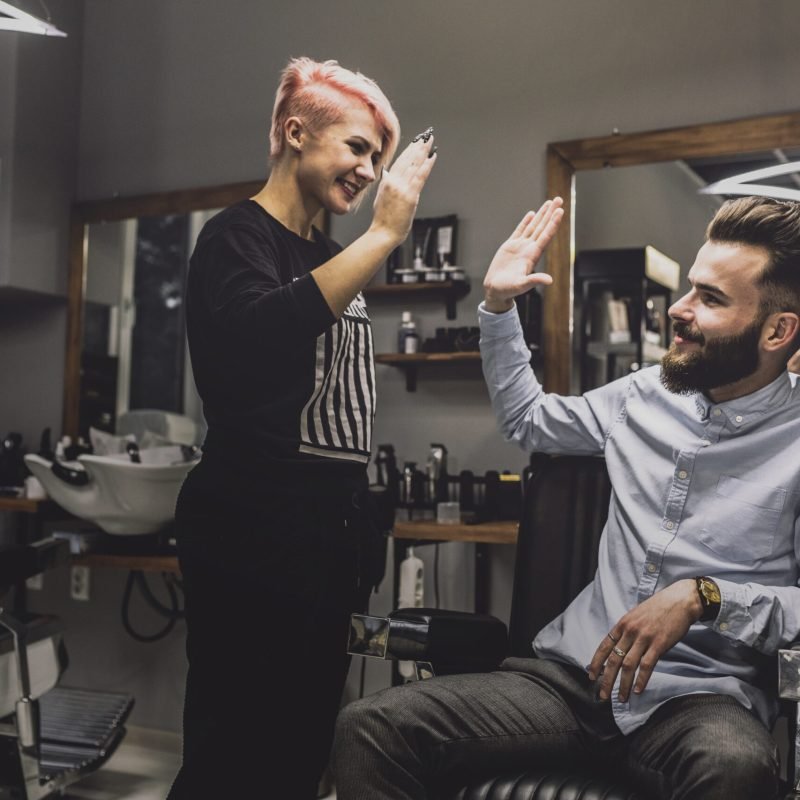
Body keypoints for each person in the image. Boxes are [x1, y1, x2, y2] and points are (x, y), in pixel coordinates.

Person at [332, 195, 800, 800]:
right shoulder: (643, 394)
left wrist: (707, 598)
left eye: (710, 299)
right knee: (371, 726)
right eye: (689, 288)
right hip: (570, 683)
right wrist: (499, 306)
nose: (678, 311)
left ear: (778, 330)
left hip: (698, 700)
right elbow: (528, 419)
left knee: (735, 766)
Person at [167, 58, 436, 800]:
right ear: (295, 132)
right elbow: (262, 330)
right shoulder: (234, 237)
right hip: (252, 527)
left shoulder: (324, 253)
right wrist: (385, 235)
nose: (369, 169)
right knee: (234, 756)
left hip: (323, 536)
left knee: (299, 753)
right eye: (357, 146)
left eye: (377, 156)